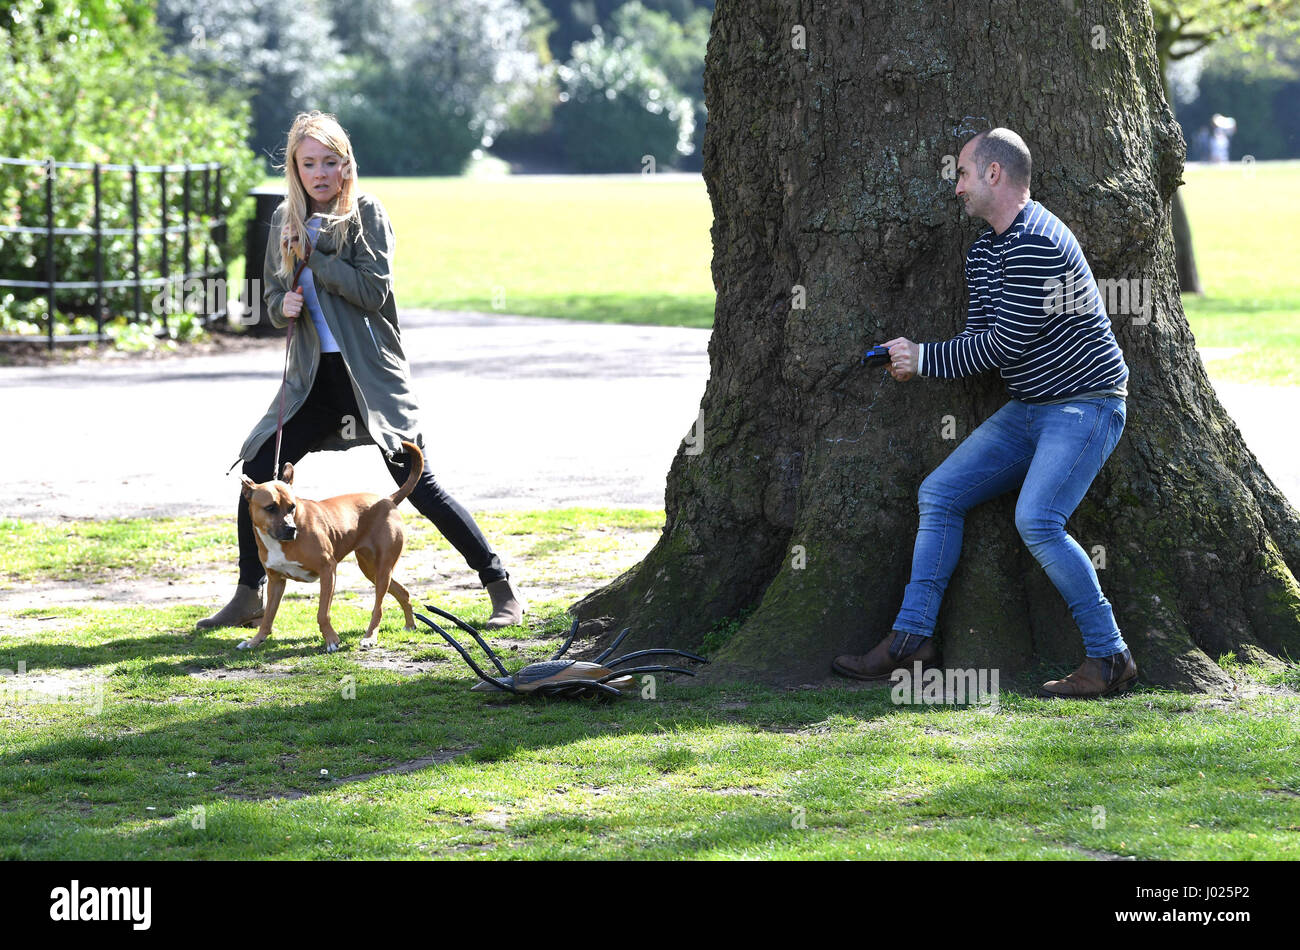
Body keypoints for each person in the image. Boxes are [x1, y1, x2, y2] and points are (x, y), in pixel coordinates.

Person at [832, 128, 1135, 699]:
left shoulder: (1038, 241)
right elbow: (980, 340)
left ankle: (1110, 656)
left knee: (1038, 521)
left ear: (994, 174)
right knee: (939, 493)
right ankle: (911, 641)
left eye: (963, 174)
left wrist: (923, 359)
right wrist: (917, 360)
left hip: (1085, 406)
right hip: (1030, 407)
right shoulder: (986, 250)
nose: (957, 187)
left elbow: (1004, 346)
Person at [198, 111, 525, 633]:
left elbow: (373, 292)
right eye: (310, 164)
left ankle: (499, 586)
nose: (321, 173)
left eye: (331, 162)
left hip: (369, 381)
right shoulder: (284, 219)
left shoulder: (366, 213)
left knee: (418, 484)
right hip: (313, 383)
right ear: (295, 168)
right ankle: (246, 595)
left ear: (347, 165)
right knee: (259, 464)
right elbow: (271, 292)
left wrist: (317, 255)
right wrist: (282, 303)